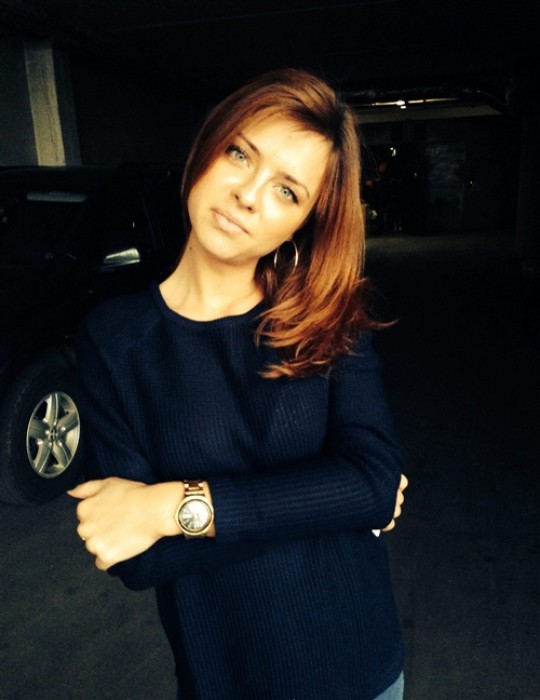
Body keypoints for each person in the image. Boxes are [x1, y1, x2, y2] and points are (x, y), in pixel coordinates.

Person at [69, 68, 408, 700]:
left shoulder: (329, 317)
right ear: (206, 148)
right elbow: (135, 556)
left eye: (286, 190)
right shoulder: (114, 339)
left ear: (304, 223)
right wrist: (326, 501)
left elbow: (371, 484)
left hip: (357, 668)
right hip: (222, 676)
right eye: (240, 154)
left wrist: (169, 508)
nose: (248, 195)